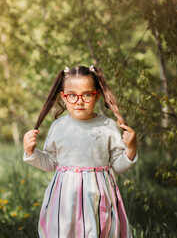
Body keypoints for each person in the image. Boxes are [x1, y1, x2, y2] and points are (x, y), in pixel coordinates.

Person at [23, 65, 138, 238]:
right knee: (63, 232)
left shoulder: (108, 126)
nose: (79, 101)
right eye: (71, 95)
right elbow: (50, 163)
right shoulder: (59, 127)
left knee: (99, 231)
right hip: (65, 196)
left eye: (86, 94)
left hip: (98, 196)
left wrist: (131, 148)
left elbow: (119, 166)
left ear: (97, 95)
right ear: (63, 96)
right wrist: (31, 151)